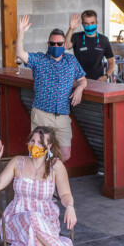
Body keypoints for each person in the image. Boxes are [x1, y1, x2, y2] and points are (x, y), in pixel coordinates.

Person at [0, 127, 76, 246]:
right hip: (16, 221)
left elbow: (65, 194)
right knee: (32, 216)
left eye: (40, 142)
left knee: (37, 242)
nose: (34, 145)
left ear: (49, 146)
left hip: (46, 222)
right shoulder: (17, 162)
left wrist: (70, 207)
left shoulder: (56, 166)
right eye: (32, 141)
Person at [15, 15, 87, 162]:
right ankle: (42, 183)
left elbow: (82, 80)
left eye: (59, 44)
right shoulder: (40, 60)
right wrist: (21, 33)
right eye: (52, 44)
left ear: (64, 45)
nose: (56, 47)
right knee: (39, 153)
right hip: (42, 114)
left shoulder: (71, 60)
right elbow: (20, 54)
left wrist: (80, 88)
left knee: (65, 155)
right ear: (48, 44)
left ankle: (49, 178)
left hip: (62, 115)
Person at [64, 10, 115, 81]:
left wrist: (106, 76)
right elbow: (66, 46)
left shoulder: (104, 40)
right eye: (86, 23)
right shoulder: (76, 37)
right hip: (78, 80)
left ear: (97, 22)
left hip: (98, 81)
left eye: (92, 23)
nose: (90, 26)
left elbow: (111, 61)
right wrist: (71, 29)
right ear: (82, 24)